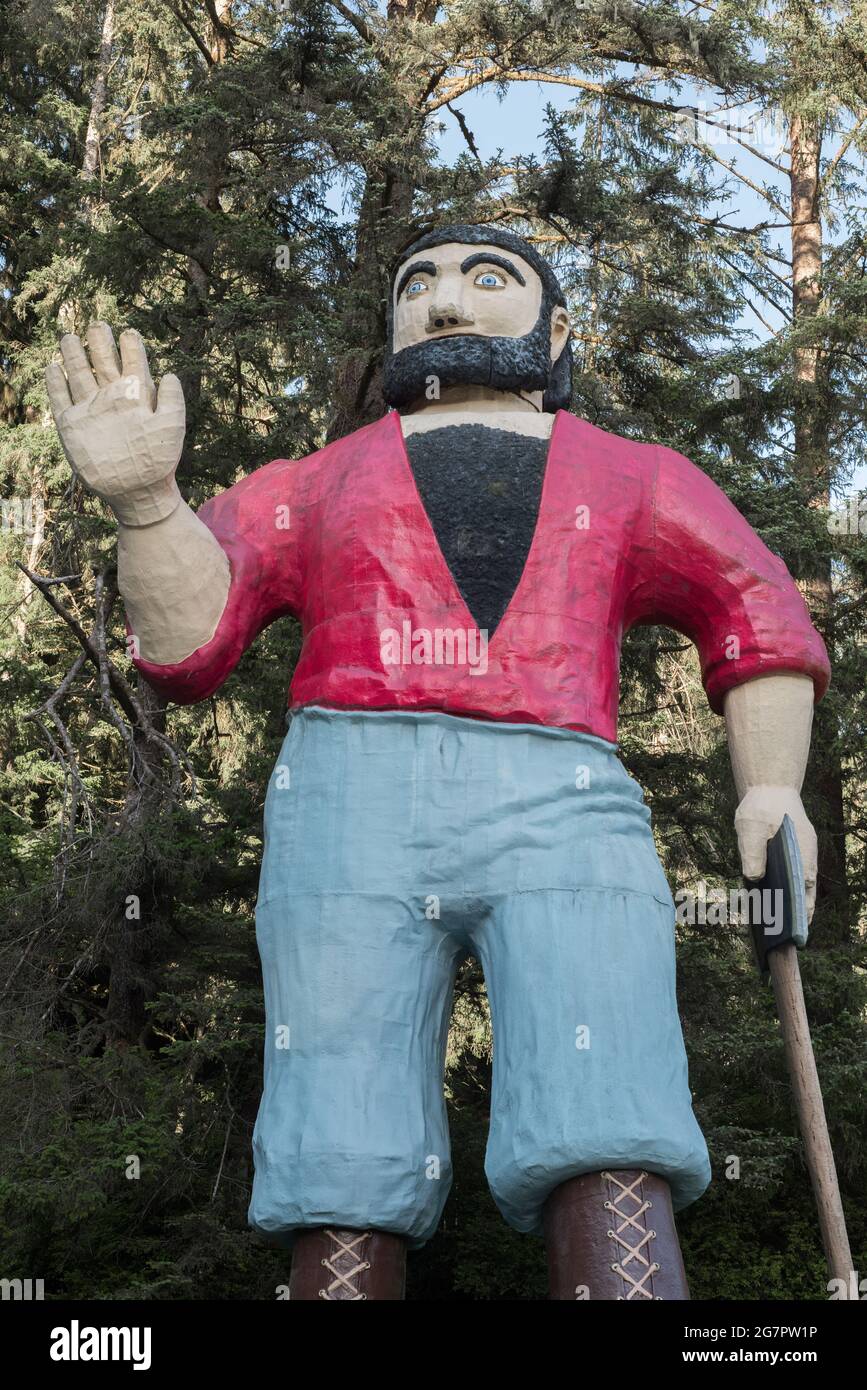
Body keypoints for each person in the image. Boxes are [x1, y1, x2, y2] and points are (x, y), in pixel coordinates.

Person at [47, 224, 830, 1300]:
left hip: (566, 797)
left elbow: (755, 608)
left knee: (606, 1096)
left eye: (486, 278)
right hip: (349, 804)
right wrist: (147, 507)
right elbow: (193, 640)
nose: (445, 302)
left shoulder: (634, 477)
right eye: (419, 283)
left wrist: (774, 785)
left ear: (560, 331)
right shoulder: (318, 483)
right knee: (341, 1122)